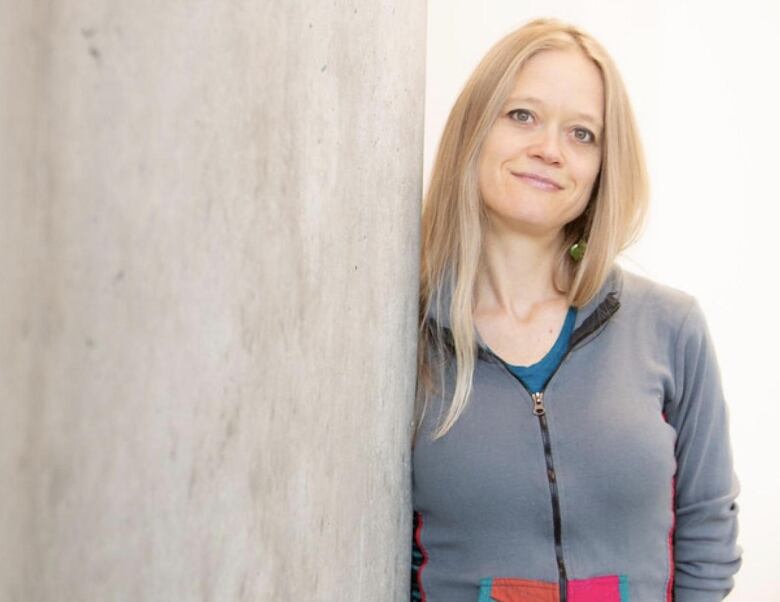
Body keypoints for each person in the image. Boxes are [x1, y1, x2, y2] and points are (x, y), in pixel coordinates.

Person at [411, 17, 742, 602]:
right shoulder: (406, 337)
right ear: (475, 130)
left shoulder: (670, 328)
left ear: (601, 167)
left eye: (582, 134)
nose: (549, 150)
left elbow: (707, 531)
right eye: (522, 116)